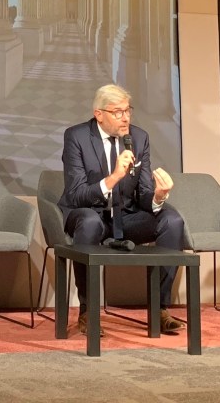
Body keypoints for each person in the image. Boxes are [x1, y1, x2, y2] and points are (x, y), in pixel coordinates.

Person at [58, 83, 185, 336]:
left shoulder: (138, 138)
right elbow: (76, 194)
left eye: (128, 110)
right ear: (99, 114)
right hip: (87, 212)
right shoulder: (77, 137)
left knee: (172, 221)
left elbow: (144, 193)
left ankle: (159, 309)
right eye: (117, 112)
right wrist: (114, 177)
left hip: (125, 216)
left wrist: (158, 196)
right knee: (90, 223)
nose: (125, 117)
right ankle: (88, 312)